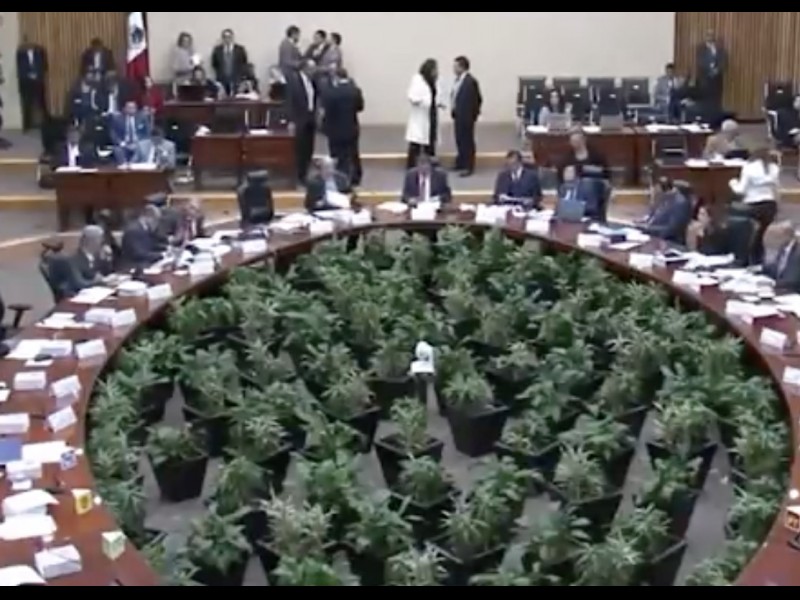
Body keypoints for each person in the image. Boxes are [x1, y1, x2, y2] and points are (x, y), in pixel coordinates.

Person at [729, 146, 780, 264]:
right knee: (761, 233)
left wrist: (732, 183)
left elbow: (741, 190)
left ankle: (744, 256)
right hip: (770, 206)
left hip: (752, 206)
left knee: (745, 228)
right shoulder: (774, 168)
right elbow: (776, 189)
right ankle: (758, 258)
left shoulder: (748, 167)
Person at [322, 68, 364, 187]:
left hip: (335, 129)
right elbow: (360, 107)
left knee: (338, 155)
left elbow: (328, 110)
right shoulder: (355, 90)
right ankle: (356, 176)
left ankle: (340, 179)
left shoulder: (331, 92)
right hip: (352, 127)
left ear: (336, 77)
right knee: (353, 153)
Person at [405, 59, 444, 169]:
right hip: (420, 115)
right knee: (416, 141)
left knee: (431, 138)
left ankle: (430, 163)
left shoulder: (435, 81)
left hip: (432, 113)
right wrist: (421, 102)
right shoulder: (418, 80)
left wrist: (439, 102)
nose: (436, 72)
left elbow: (437, 95)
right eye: (434, 69)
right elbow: (411, 96)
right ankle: (411, 165)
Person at [286, 60, 318, 185]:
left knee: (309, 148)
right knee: (300, 149)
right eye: (312, 68)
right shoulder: (294, 81)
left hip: (310, 118)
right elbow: (289, 101)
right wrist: (291, 120)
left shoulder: (313, 81)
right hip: (299, 119)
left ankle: (305, 173)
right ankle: (300, 176)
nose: (315, 71)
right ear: (305, 68)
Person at [451, 56, 482, 177]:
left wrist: (473, 115)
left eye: (455, 66)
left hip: (467, 117)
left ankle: (469, 166)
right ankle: (461, 162)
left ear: (462, 67)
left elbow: (478, 99)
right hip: (458, 116)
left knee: (467, 141)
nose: (453, 69)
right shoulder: (457, 80)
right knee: (459, 140)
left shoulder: (470, 82)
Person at [637, 177, 692, 243]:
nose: (652, 191)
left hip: (669, 242)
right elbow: (653, 215)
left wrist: (646, 229)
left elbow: (672, 230)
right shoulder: (663, 197)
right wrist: (644, 221)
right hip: (652, 236)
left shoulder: (680, 203)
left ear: (661, 188)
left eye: (654, 188)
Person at [67, 225, 114, 294]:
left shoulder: (97, 256)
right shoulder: (73, 259)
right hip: (79, 295)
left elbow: (107, 273)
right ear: (90, 241)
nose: (102, 242)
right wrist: (96, 282)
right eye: (100, 239)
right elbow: (79, 283)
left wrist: (107, 258)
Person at [15, 36, 48, 132]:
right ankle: (27, 125)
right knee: (27, 103)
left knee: (41, 103)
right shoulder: (20, 54)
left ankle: (45, 124)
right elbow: (19, 68)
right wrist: (29, 75)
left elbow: (45, 66)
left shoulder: (40, 52)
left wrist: (37, 74)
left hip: (38, 80)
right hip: (26, 82)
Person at [110, 100, 151, 164]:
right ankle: (123, 166)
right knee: (117, 150)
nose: (131, 109)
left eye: (133, 108)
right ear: (124, 109)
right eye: (129, 108)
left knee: (144, 148)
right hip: (123, 143)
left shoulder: (142, 118)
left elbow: (147, 132)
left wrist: (139, 143)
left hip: (139, 143)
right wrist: (121, 143)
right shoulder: (117, 119)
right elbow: (113, 133)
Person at [763, 222, 800, 292]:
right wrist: (757, 269)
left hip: (792, 292)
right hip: (779, 288)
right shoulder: (783, 248)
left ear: (787, 236)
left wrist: (772, 284)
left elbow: (792, 279)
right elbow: (775, 270)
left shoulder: (797, 253)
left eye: (775, 236)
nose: (771, 239)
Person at [211, 28, 248, 96]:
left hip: (236, 80)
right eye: (225, 37)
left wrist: (242, 79)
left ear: (232, 37)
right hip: (222, 81)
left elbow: (244, 64)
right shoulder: (217, 50)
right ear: (223, 38)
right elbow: (214, 64)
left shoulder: (240, 49)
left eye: (229, 37)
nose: (227, 39)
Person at [696, 29, 727, 110]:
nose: (710, 37)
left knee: (717, 98)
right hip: (705, 78)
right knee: (706, 98)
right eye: (708, 35)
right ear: (706, 37)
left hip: (717, 78)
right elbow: (700, 62)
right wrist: (710, 70)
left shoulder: (719, 48)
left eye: (712, 35)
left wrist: (717, 70)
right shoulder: (701, 48)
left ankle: (716, 112)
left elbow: (724, 61)